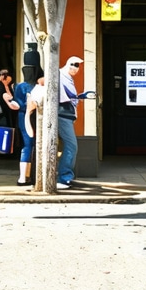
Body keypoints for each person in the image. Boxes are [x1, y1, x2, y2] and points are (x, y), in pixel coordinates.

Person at [4, 65, 38, 186]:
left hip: (23, 116)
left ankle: (23, 177)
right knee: (34, 145)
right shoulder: (39, 86)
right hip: (36, 116)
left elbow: (16, 105)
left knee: (27, 145)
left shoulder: (19, 86)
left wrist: (7, 100)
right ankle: (29, 176)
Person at [57, 56, 87, 190]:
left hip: (67, 115)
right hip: (62, 115)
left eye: (78, 65)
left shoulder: (67, 78)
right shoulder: (59, 75)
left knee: (68, 146)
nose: (75, 67)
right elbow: (63, 97)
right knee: (71, 146)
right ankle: (64, 177)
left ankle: (65, 176)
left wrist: (78, 96)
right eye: (73, 64)